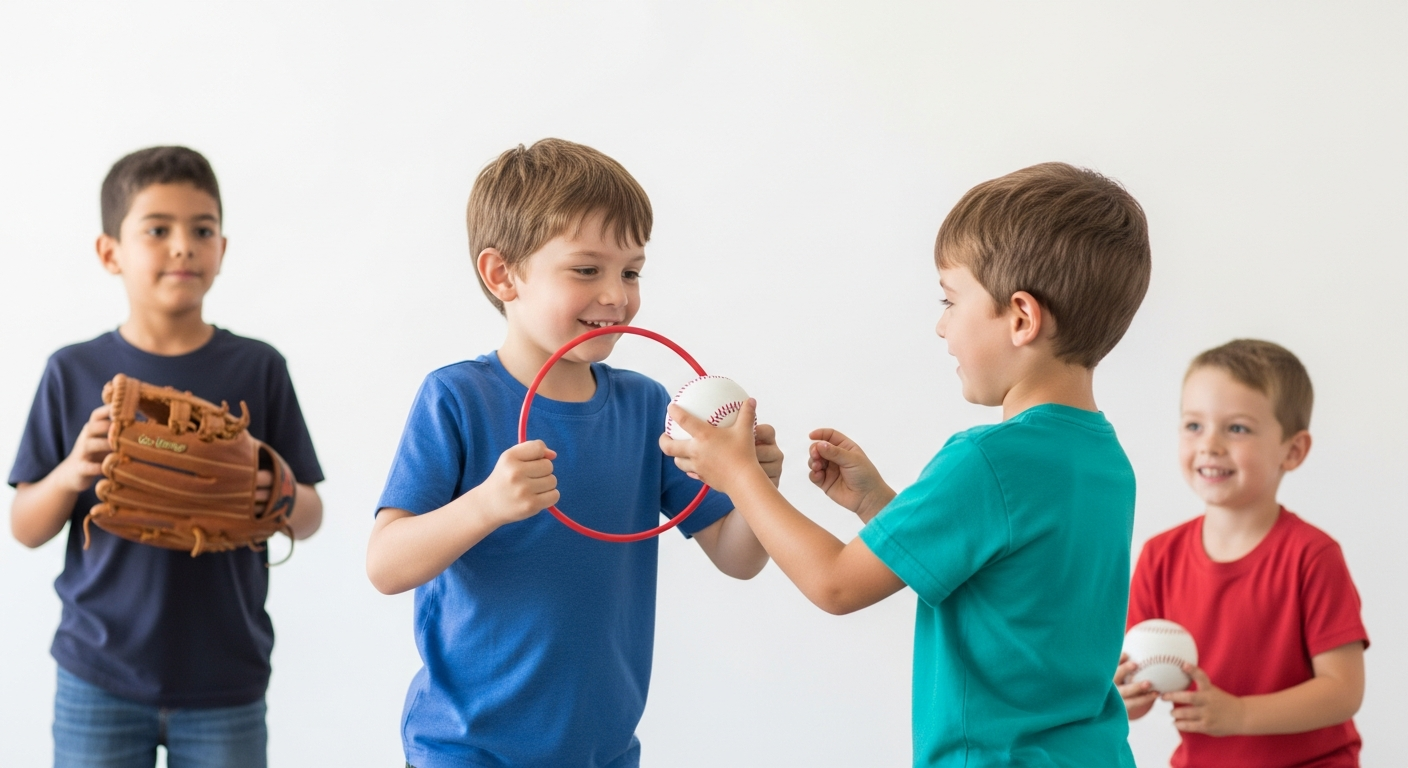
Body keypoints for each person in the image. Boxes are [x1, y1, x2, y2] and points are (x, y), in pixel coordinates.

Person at [662, 162, 1151, 767]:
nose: (942, 325)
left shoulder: (986, 460)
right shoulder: (1102, 459)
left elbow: (836, 584)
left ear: (1021, 318)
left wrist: (738, 472)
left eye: (951, 300)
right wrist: (877, 505)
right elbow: (1002, 585)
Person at [365, 138, 775, 768]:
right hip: (466, 748)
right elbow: (386, 566)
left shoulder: (645, 407)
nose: (617, 295)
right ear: (503, 275)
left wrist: (753, 486)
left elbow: (736, 556)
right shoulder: (457, 398)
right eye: (587, 270)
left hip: (601, 751)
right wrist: (487, 505)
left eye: (631, 271)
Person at [8, 145, 325, 767]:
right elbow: (24, 527)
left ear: (222, 251)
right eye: (158, 229)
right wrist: (74, 471)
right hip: (98, 670)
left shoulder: (256, 367)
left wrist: (273, 489)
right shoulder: (74, 372)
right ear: (110, 253)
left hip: (225, 675)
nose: (183, 245)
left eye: (202, 230)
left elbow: (310, 516)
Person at [1116, 339, 1367, 767]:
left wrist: (1241, 714)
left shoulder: (1312, 556)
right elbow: (1136, 691)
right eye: (1194, 425)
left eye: (1237, 428)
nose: (1210, 444)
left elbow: (1343, 690)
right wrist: (1125, 697)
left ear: (1293, 450)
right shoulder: (1160, 556)